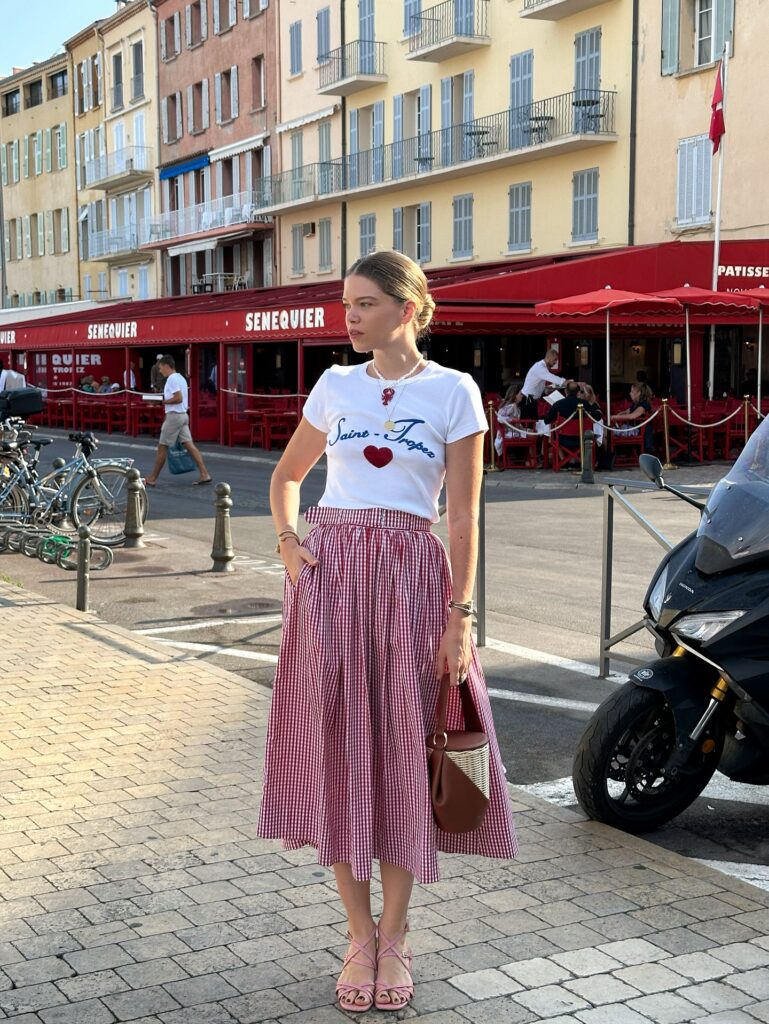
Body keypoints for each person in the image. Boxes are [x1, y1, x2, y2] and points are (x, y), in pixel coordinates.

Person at [256, 250, 517, 1014]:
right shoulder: (335, 385)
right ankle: (357, 935)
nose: (349, 317)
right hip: (332, 580)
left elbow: (463, 517)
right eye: (346, 303)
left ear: (407, 309)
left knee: (406, 751)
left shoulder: (452, 392)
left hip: (411, 581)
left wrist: (459, 616)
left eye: (364, 303)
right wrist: (289, 545)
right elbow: (286, 476)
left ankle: (395, 935)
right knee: (335, 748)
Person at [143, 355, 212, 487]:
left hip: (174, 416)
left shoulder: (171, 379)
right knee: (189, 445)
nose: (160, 371)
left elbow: (178, 398)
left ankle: (152, 478)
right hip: (183, 415)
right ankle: (204, 473)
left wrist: (161, 402)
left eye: (161, 368)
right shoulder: (181, 378)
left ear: (167, 366)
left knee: (162, 446)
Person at [519, 347, 570, 420]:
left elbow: (543, 387)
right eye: (554, 360)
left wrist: (552, 388)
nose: (556, 362)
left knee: (532, 423)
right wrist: (569, 383)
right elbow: (554, 379)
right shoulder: (540, 367)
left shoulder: (542, 367)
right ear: (548, 358)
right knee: (529, 424)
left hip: (530, 399)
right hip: (528, 399)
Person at [612, 382, 655, 452]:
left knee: (607, 432)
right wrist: (618, 415)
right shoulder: (635, 404)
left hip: (638, 432)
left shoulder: (644, 405)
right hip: (633, 429)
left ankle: (610, 454)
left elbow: (632, 416)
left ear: (639, 393)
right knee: (607, 431)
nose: (630, 393)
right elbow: (626, 412)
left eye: (632, 391)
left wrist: (614, 417)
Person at [494, 383, 523, 458]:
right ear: (514, 395)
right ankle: (532, 458)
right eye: (520, 394)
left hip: (513, 431)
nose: (522, 395)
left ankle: (530, 458)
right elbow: (500, 418)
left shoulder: (514, 406)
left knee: (532, 432)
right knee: (533, 435)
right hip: (509, 433)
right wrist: (512, 420)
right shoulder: (511, 406)